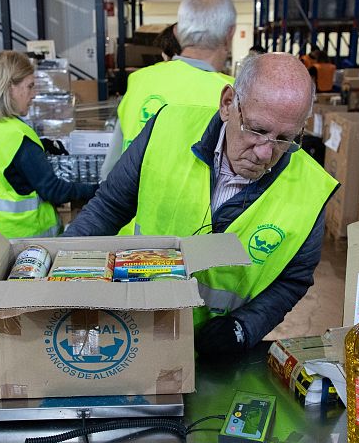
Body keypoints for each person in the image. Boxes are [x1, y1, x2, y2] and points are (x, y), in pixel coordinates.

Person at [64, 53, 339, 359]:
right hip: (134, 331)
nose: (265, 152)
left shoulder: (310, 191)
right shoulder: (166, 130)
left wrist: (242, 328)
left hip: (213, 353)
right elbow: (108, 208)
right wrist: (60, 274)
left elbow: (293, 280)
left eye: (285, 139)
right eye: (257, 130)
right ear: (227, 104)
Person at [100, 0, 237, 180]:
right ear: (229, 34)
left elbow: (109, 172)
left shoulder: (140, 81)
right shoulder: (232, 95)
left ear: (177, 32)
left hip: (133, 210)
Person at [0, 50, 98, 238]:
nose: (34, 95)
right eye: (30, 86)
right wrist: (99, 188)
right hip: (25, 240)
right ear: (9, 87)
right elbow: (54, 191)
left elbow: (1, 165)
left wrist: (39, 147)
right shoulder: (17, 136)